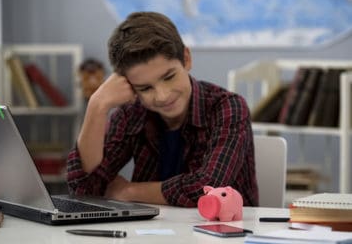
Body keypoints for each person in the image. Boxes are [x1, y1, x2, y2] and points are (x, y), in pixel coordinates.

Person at [67, 11, 258, 207]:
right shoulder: (131, 113)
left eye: (169, 77)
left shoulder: (228, 107)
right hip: (150, 233)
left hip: (222, 233)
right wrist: (97, 105)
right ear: (130, 85)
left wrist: (129, 191)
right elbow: (84, 188)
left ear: (186, 58)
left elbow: (207, 189)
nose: (162, 96)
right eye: (145, 88)